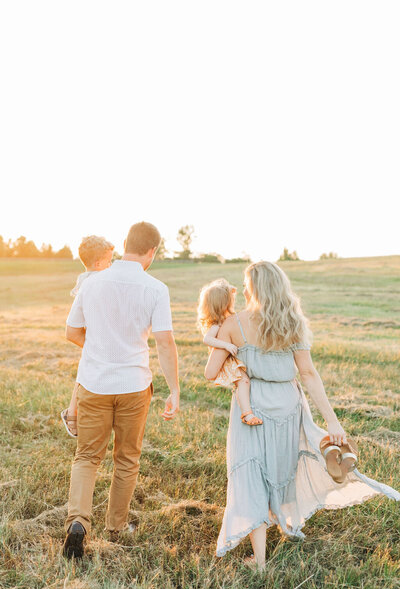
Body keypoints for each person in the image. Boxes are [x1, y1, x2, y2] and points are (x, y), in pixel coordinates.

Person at [205, 261, 400, 570]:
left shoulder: (233, 324)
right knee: (281, 468)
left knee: (251, 472)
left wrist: (236, 369)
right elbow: (308, 374)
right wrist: (332, 421)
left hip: (251, 405)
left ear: (255, 288)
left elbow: (211, 371)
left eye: (245, 283)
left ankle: (260, 560)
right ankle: (281, 521)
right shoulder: (292, 322)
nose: (242, 290)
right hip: (287, 402)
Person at [62, 222, 179, 559]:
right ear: (152, 251)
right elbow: (165, 343)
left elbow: (72, 332)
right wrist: (175, 389)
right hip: (133, 386)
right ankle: (116, 525)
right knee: (126, 458)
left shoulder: (93, 283)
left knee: (86, 456)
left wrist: (97, 345)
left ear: (125, 243)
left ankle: (78, 522)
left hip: (94, 384)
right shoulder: (156, 288)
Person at [61, 235, 114, 438]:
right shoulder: (93, 281)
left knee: (85, 373)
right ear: (99, 263)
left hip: (94, 334)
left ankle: (74, 411)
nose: (111, 265)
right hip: (93, 335)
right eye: (109, 261)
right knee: (84, 375)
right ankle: (72, 412)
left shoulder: (88, 279)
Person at [197, 278, 262, 425]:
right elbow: (207, 339)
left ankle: (247, 413)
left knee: (244, 382)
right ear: (223, 303)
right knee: (243, 382)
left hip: (231, 359)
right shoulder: (217, 324)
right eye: (231, 299)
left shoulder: (228, 319)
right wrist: (225, 345)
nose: (233, 301)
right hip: (227, 362)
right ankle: (247, 414)